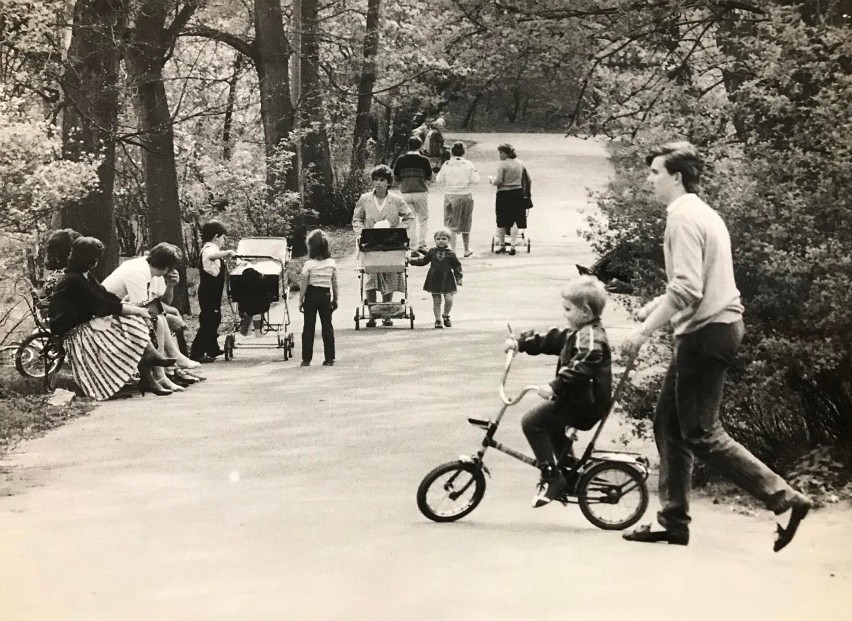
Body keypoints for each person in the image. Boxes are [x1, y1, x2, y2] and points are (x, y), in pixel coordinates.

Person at [620, 141, 812, 551]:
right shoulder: (699, 213)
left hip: (706, 333)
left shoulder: (683, 220)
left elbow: (688, 289)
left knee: (701, 433)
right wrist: (657, 304)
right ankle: (673, 521)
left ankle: (785, 498)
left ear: (675, 176)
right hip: (712, 327)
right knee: (669, 424)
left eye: (654, 172)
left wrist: (643, 331)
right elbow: (697, 281)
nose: (648, 179)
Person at [503, 276, 612, 507]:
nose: (564, 314)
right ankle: (569, 473)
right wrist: (521, 344)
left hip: (586, 403)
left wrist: (555, 386)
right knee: (551, 426)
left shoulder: (591, 337)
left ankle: (552, 478)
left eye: (568, 309)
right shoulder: (580, 331)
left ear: (584, 311)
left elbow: (583, 365)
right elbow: (553, 339)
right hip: (578, 399)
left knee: (532, 422)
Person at [47, 237, 176, 399]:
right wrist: (137, 311)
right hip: (74, 333)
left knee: (132, 320)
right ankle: (149, 364)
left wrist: (134, 309)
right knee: (130, 322)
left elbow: (105, 295)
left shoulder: (83, 276)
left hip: (86, 325)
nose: (96, 262)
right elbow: (101, 306)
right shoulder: (74, 280)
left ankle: (148, 373)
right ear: (89, 259)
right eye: (95, 258)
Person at [102, 242, 192, 391]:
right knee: (160, 320)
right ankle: (167, 368)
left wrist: (170, 285)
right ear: (167, 266)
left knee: (162, 318)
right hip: (106, 315)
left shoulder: (149, 269)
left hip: (120, 310)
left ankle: (168, 370)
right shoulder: (138, 271)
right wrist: (168, 317)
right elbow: (142, 307)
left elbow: (160, 303)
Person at [352, 164, 414, 327]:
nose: (378, 183)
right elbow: (357, 218)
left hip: (391, 240)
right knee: (371, 277)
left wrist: (399, 230)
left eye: (382, 180)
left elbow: (409, 216)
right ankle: (372, 314)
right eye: (376, 180)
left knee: (390, 273)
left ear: (388, 182)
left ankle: (387, 314)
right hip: (370, 241)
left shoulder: (397, 200)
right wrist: (361, 232)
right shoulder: (365, 199)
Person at [189, 221, 236, 363]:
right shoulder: (209, 249)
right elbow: (211, 256)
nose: (223, 241)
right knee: (209, 321)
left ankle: (212, 348)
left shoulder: (211, 249)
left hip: (212, 292)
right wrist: (227, 252)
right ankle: (196, 352)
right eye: (223, 238)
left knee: (215, 319)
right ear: (216, 237)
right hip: (208, 292)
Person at [299, 230, 338, 367]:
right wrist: (336, 299)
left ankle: (306, 359)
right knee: (327, 326)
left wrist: (301, 299)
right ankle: (329, 358)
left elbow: (304, 283)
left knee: (308, 327)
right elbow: (334, 284)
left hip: (311, 295)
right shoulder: (331, 264)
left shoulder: (309, 265)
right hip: (325, 295)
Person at [409, 228, 462, 329]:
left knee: (449, 299)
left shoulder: (451, 253)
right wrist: (411, 261)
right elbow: (423, 261)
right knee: (436, 300)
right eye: (438, 239)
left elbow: (456, 266)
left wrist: (458, 277)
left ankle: (446, 315)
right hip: (434, 278)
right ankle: (438, 320)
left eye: (444, 238)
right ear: (435, 240)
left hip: (447, 279)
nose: (441, 240)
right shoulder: (432, 251)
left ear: (448, 240)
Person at [436, 141, 480, 257]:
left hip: (450, 195)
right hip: (465, 195)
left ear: (452, 152)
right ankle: (466, 249)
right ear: (464, 152)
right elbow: (475, 180)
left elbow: (439, 179)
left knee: (450, 223)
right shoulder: (469, 164)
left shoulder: (446, 164)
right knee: (466, 221)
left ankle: (453, 249)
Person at [392, 136, 432, 250]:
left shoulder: (400, 160)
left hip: (405, 193)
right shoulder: (424, 160)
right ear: (420, 146)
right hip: (420, 192)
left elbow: (396, 178)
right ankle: (422, 243)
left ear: (408, 146)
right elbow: (429, 177)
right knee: (423, 219)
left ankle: (413, 245)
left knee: (410, 219)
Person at [488, 143, 526, 255]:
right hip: (517, 192)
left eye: (501, 153)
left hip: (504, 193)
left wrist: (491, 180)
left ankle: (502, 244)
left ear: (507, 153)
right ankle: (513, 245)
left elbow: (498, 181)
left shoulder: (502, 165)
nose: (499, 155)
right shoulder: (520, 163)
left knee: (501, 219)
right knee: (514, 219)